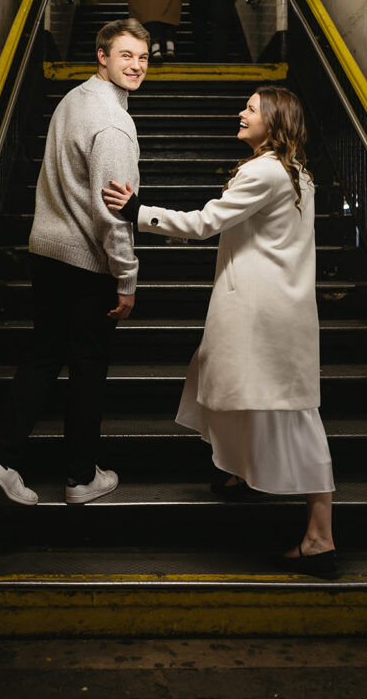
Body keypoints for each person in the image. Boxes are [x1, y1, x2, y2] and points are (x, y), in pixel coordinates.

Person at [103, 85, 337, 578]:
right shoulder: (298, 175)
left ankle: (320, 537)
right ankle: (235, 470)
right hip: (278, 308)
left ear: (273, 121)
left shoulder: (262, 171)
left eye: (251, 109)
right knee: (218, 380)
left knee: (290, 413)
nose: (241, 112)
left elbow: (206, 223)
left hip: (259, 311)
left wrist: (138, 212)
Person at [0, 18, 150, 506]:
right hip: (85, 260)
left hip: (45, 252)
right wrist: (127, 276)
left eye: (143, 57)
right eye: (126, 55)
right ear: (102, 55)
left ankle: (3, 461)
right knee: (88, 367)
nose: (136, 65)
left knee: (40, 356)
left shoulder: (73, 100)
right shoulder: (114, 124)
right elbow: (112, 211)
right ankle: (79, 477)